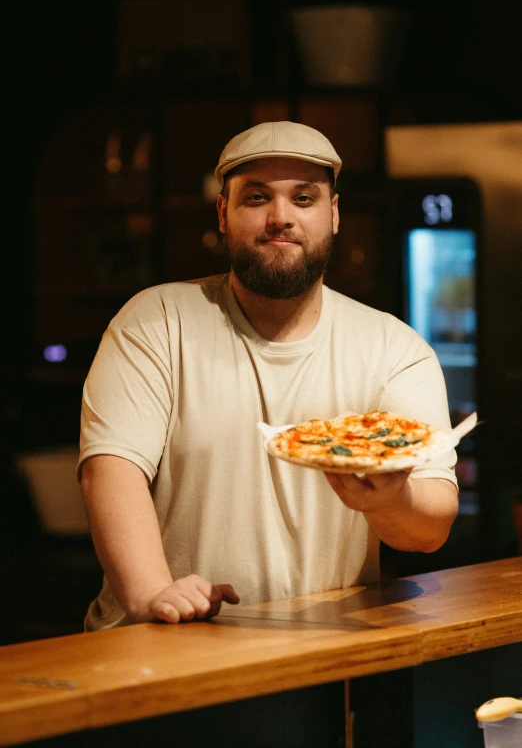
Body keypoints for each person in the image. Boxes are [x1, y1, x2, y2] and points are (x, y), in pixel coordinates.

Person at [79, 121, 459, 631]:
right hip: (158, 648)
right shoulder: (156, 321)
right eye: (257, 197)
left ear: (335, 214)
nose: (280, 217)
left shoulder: (394, 350)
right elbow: (111, 470)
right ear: (223, 212)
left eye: (304, 198)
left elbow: (429, 529)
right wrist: (153, 594)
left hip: (318, 655)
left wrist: (392, 499)